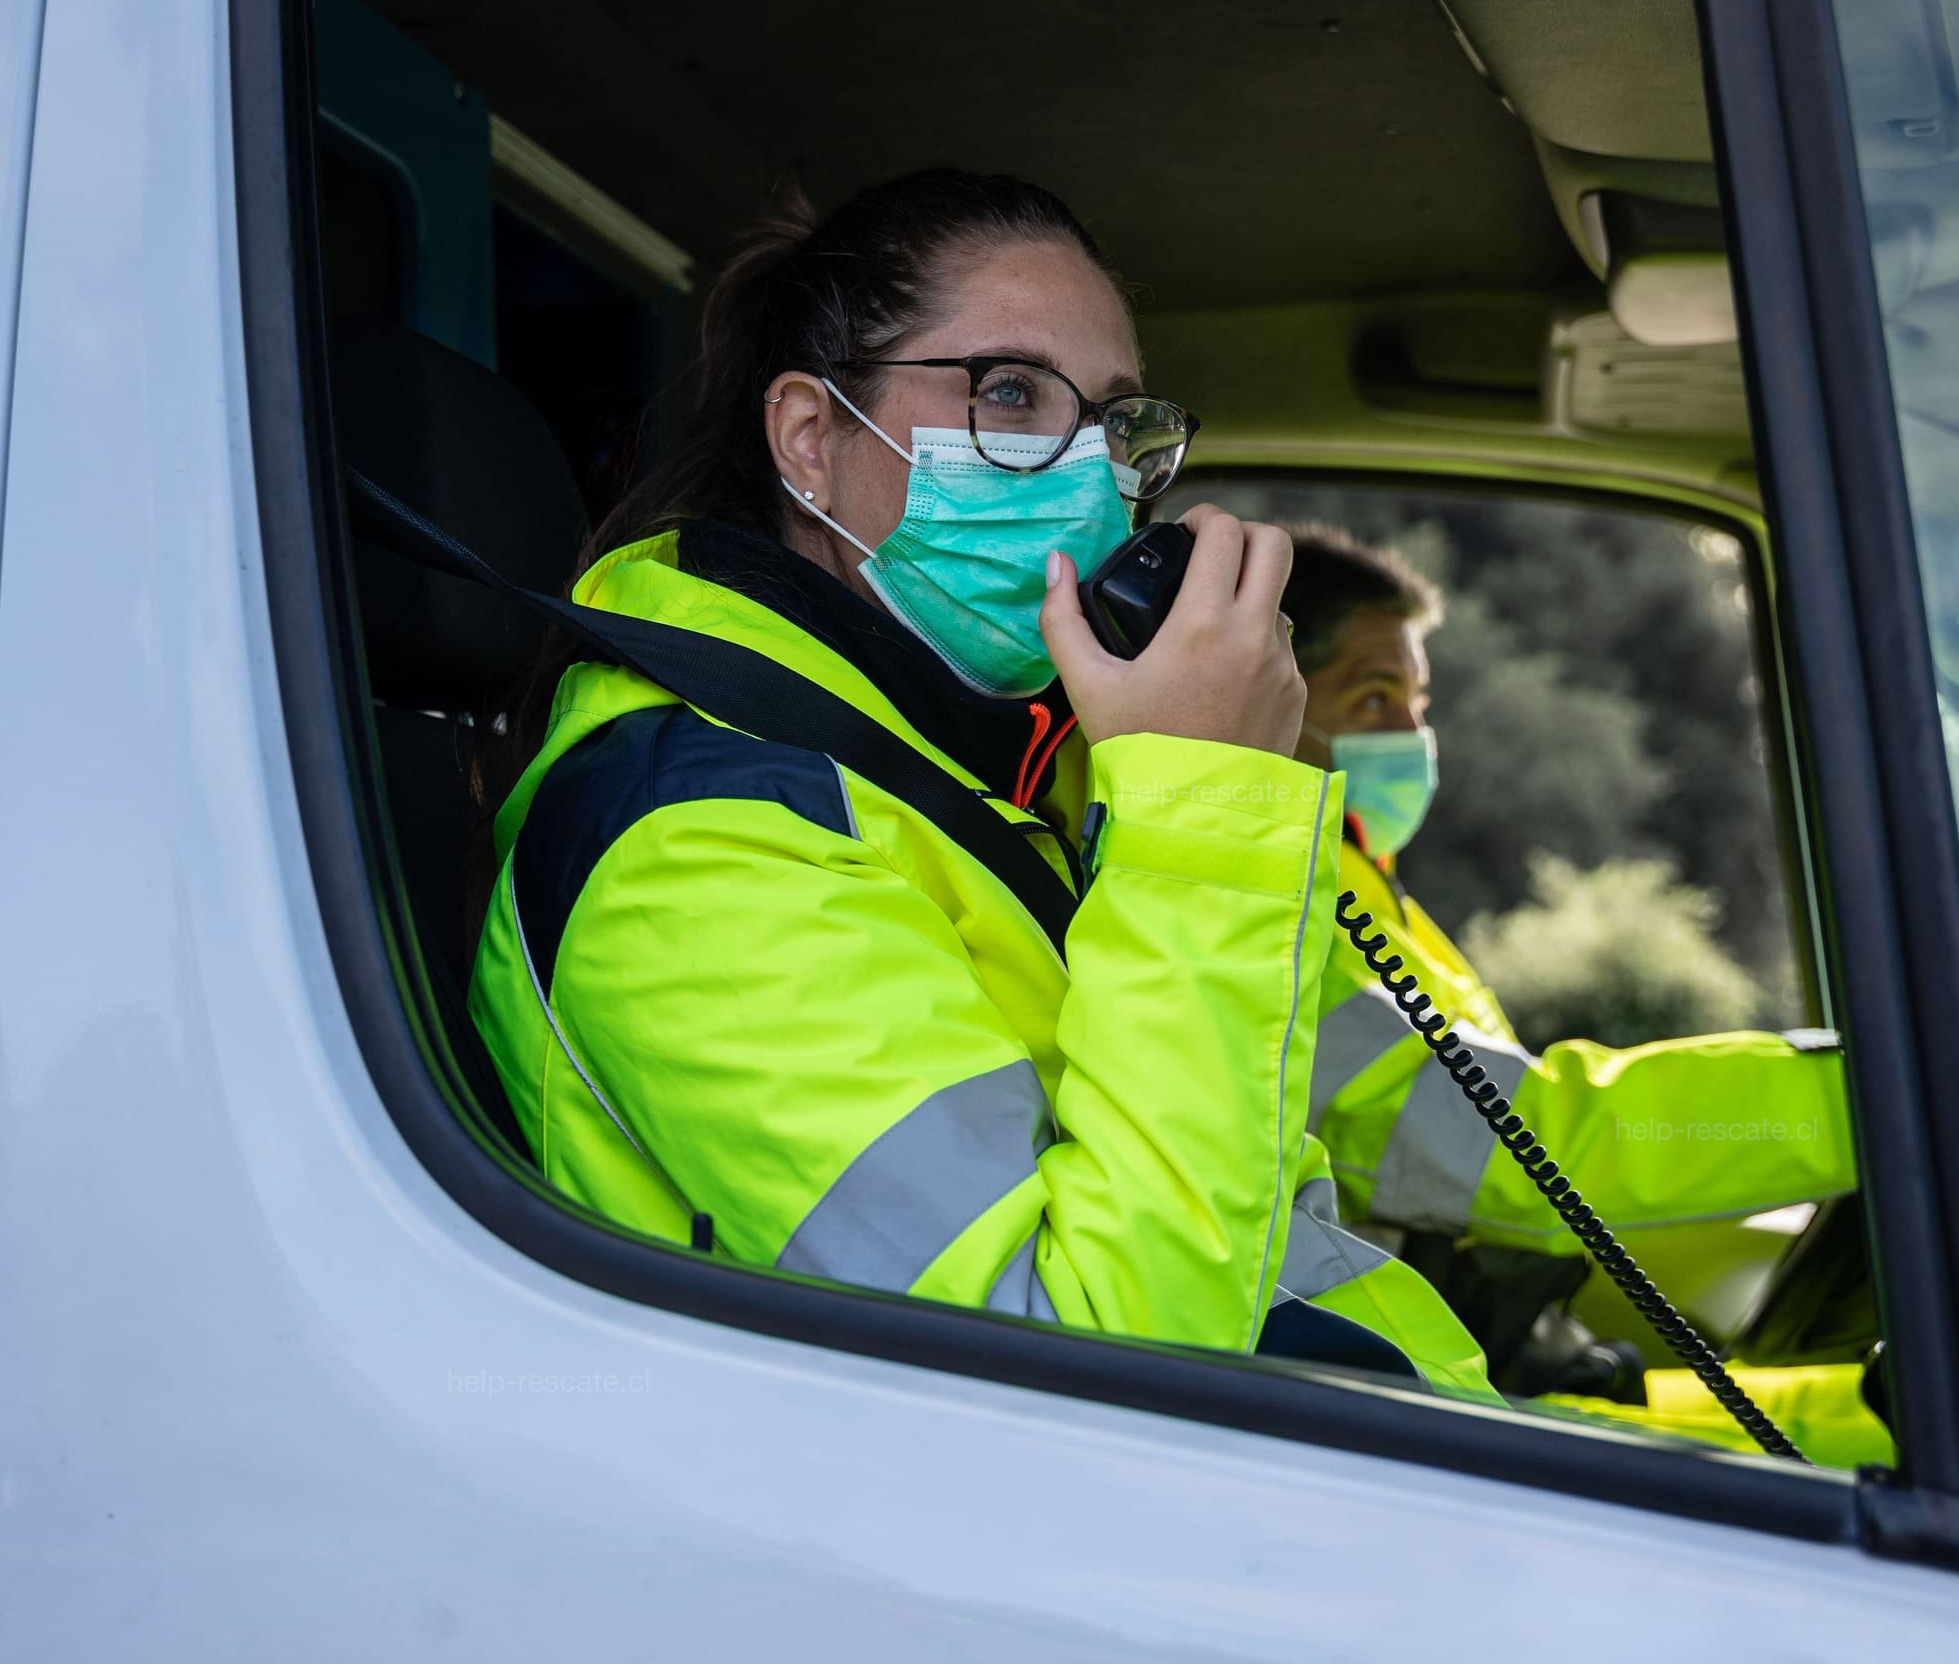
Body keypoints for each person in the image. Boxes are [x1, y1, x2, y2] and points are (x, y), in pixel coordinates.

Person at [466, 170, 1495, 1398]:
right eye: (1010, 392)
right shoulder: (699, 841)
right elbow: (1092, 1371)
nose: (1090, 475)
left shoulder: (979, 781)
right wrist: (1202, 806)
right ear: (811, 438)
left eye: (1115, 420)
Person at [1280, 523, 1893, 1465]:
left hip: (1492, 1353)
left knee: (1897, 1416)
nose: (1412, 736)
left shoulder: (1363, 891)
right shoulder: (1276, 917)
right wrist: (1880, 1098)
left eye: (1417, 701)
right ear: (1267, 696)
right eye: (1372, 698)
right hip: (1410, 1401)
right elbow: (1530, 1150)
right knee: (1917, 1446)